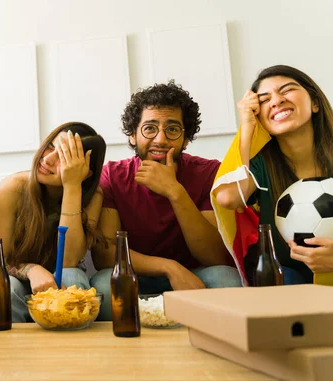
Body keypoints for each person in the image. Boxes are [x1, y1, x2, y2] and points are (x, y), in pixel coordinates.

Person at [91, 81, 241, 320]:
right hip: (135, 275)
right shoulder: (112, 176)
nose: (160, 139)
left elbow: (215, 257)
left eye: (172, 129)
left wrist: (175, 192)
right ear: (132, 135)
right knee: (103, 284)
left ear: (186, 138)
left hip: (195, 275)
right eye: (149, 128)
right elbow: (106, 256)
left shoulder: (210, 172)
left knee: (226, 277)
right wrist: (169, 267)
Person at [213, 65, 333, 285]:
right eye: (264, 100)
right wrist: (247, 127)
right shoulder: (262, 163)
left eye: (286, 90)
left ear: (315, 103)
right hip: (287, 275)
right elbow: (228, 198)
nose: (276, 101)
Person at [0, 122, 106, 322]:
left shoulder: (92, 196)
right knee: (6, 286)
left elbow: (69, 260)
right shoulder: (13, 188)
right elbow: (2, 260)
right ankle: (11, 350)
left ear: (84, 171)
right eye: (50, 147)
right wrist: (32, 270)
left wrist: (72, 186)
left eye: (63, 157)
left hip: (63, 281)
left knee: (72, 275)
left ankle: (73, 348)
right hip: (19, 277)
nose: (47, 159)